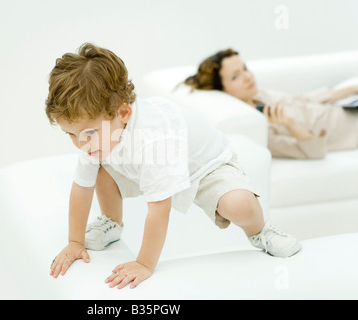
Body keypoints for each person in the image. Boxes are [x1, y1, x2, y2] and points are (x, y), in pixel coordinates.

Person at [45, 43, 301, 290]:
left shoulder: (153, 138)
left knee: (240, 205)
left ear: (123, 113)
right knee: (99, 166)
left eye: (86, 132)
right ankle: (112, 222)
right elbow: (82, 186)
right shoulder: (95, 136)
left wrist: (144, 263)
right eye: (70, 134)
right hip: (144, 164)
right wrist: (74, 241)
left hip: (204, 167)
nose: (80, 143)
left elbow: (159, 209)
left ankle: (261, 230)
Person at [184, 49, 358, 159]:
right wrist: (291, 125)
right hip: (350, 127)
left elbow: (301, 101)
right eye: (235, 76)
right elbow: (315, 152)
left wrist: (350, 89)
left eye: (245, 68)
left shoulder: (258, 94)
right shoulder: (259, 126)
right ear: (222, 90)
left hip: (345, 108)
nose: (248, 76)